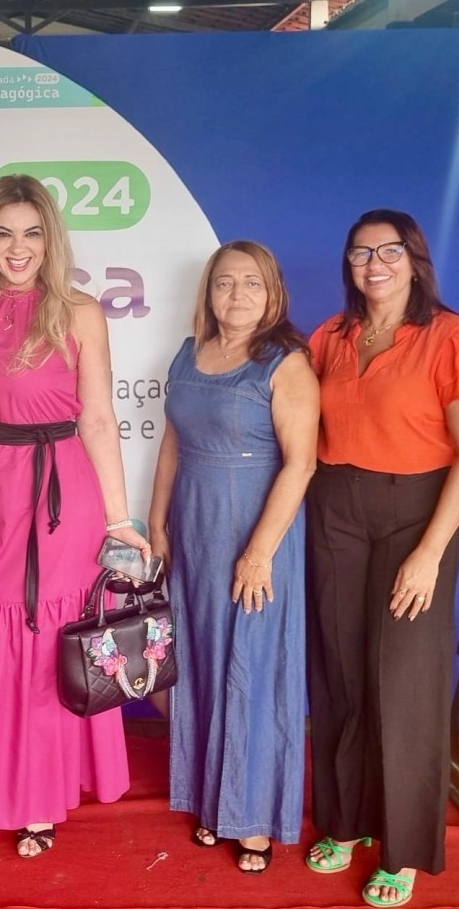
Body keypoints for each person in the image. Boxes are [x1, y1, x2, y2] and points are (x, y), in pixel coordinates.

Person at [0, 173, 150, 859]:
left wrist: (119, 521)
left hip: (58, 498)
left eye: (32, 233)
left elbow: (97, 419)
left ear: (51, 239)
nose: (18, 248)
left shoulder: (79, 311)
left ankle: (37, 797)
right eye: (4, 233)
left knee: (41, 648)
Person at [304, 209, 459, 908]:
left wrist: (430, 552)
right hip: (335, 506)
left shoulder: (449, 335)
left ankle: (405, 849)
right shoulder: (330, 336)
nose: (374, 264)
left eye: (388, 251)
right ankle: (345, 820)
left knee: (406, 681)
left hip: (417, 514)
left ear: (414, 259)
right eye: (360, 253)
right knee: (342, 671)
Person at [147, 240, 318, 874]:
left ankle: (253, 819)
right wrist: (158, 522)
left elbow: (301, 465)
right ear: (208, 292)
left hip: (255, 532)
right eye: (224, 282)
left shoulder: (286, 363)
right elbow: (172, 442)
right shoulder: (188, 353)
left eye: (252, 282)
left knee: (252, 665)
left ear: (272, 293)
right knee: (199, 660)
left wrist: (259, 553)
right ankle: (210, 799)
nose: (237, 294)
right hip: (194, 525)